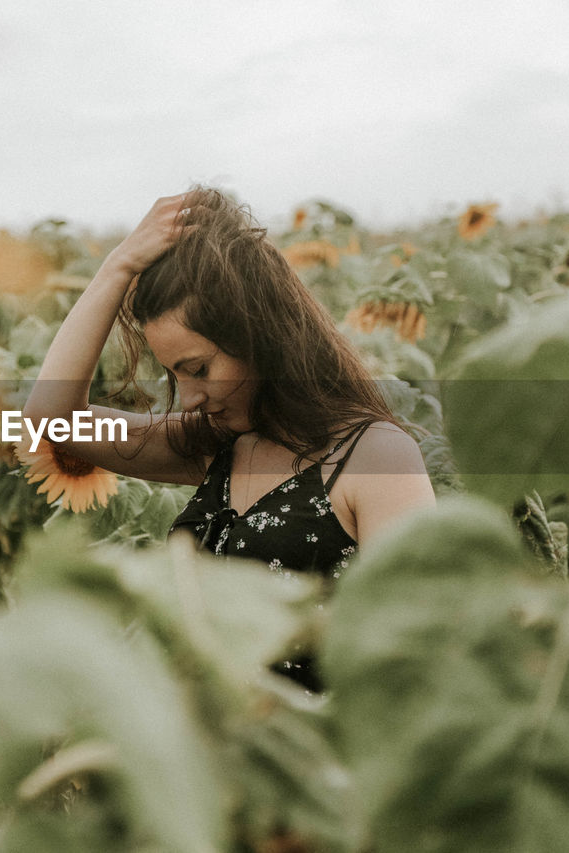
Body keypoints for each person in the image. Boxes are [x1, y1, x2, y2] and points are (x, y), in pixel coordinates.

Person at [23, 188, 437, 686]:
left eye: (198, 369)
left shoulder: (376, 457)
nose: (190, 396)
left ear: (257, 334)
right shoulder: (219, 445)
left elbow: (417, 660)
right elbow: (50, 422)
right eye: (177, 376)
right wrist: (117, 268)